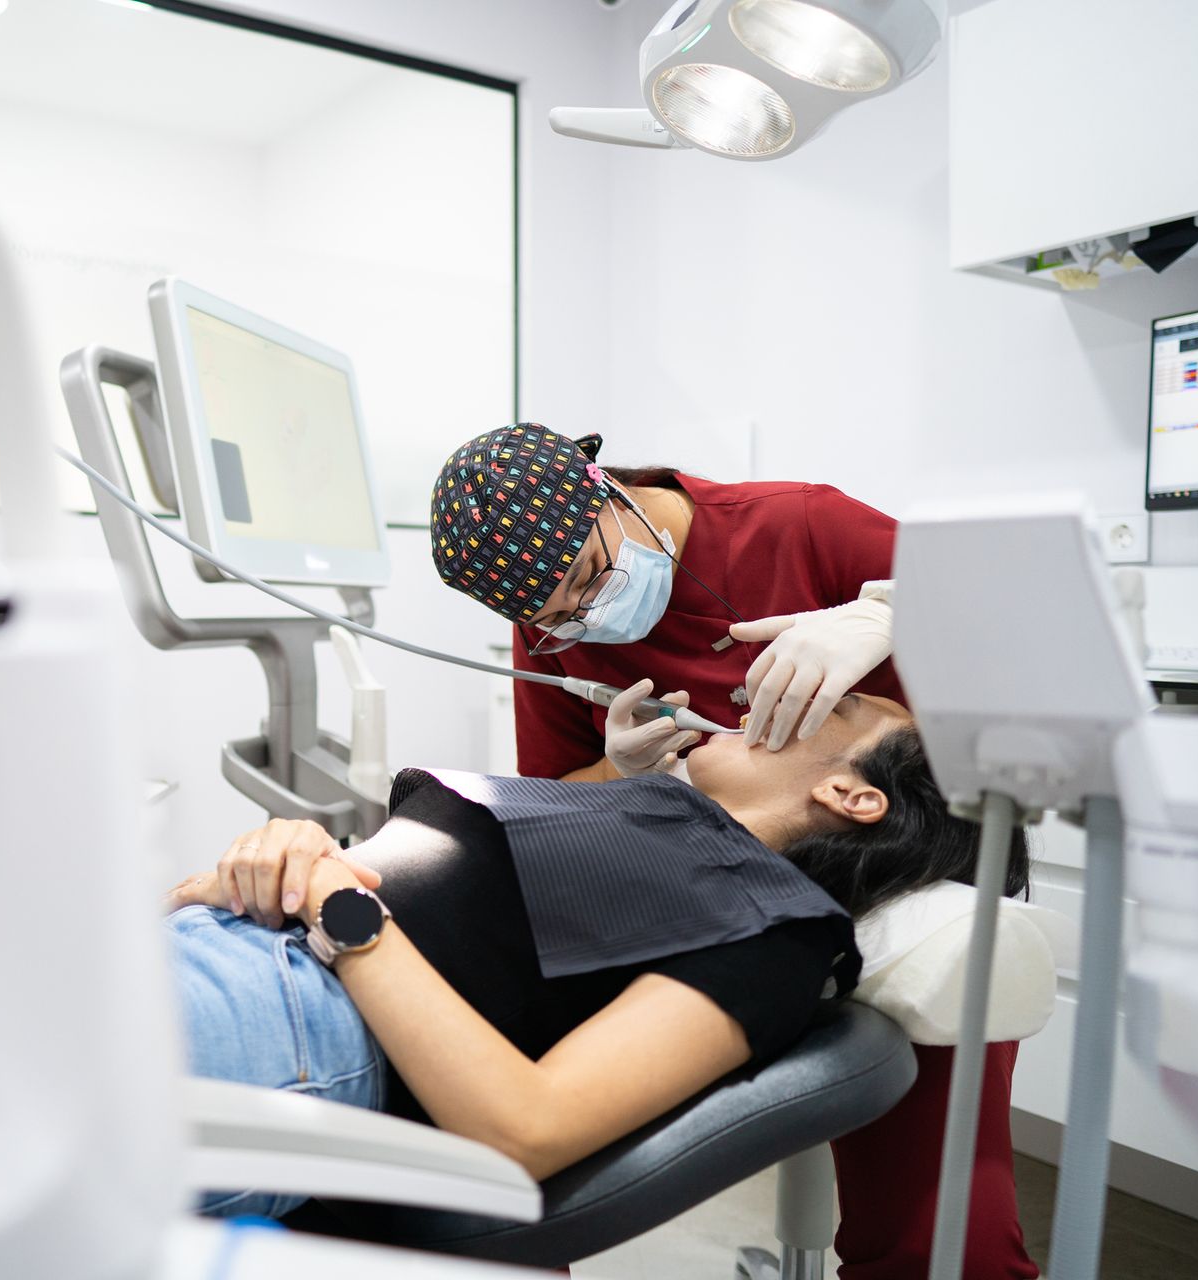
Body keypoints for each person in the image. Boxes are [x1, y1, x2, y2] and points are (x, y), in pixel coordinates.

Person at [428, 422, 1036, 1278]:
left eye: (589, 579)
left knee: (936, 1232)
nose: (584, 617)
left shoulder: (800, 527)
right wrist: (617, 767)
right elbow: (558, 800)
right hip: (710, 897)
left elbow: (1027, 615)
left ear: (609, 490)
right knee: (495, 1125)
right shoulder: (551, 622)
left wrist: (894, 614)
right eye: (556, 620)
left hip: (898, 873)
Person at [163, 696, 1030, 1235]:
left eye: (835, 707)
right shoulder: (652, 812)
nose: (756, 694)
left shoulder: (779, 931)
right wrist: (286, 858)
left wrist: (333, 902)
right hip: (211, 954)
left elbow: (523, 1127)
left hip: (293, 1020)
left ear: (852, 794)